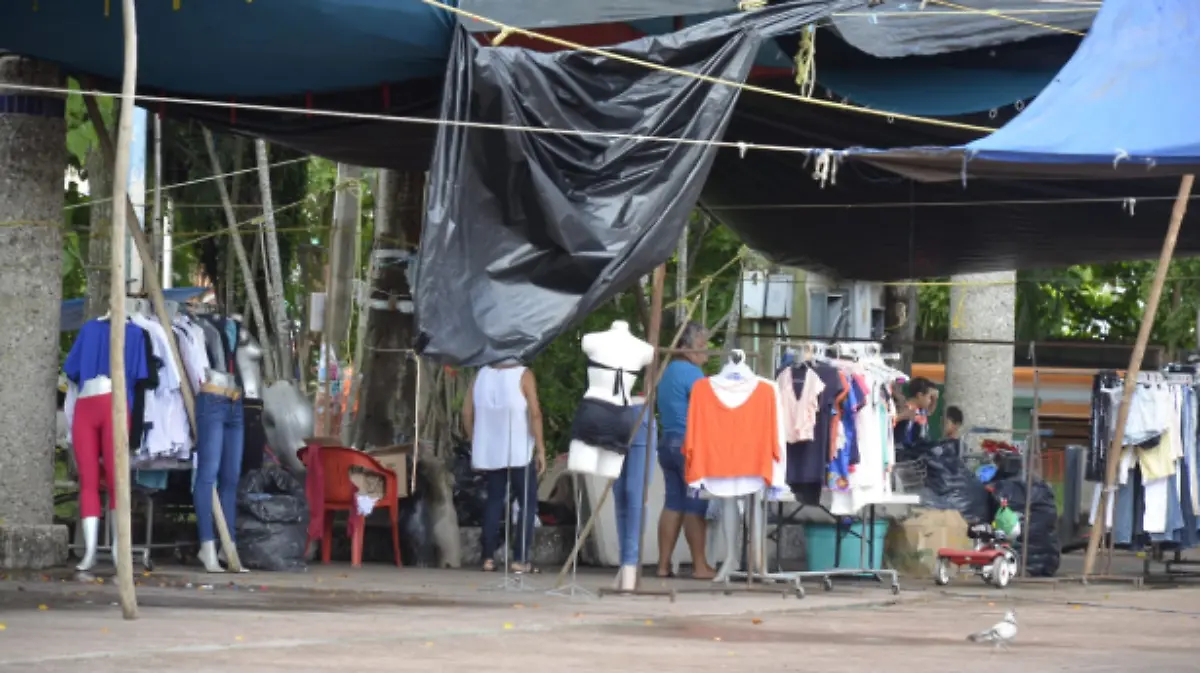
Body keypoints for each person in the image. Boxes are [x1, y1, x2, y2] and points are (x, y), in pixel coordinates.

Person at [462, 359, 548, 574]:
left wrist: (476, 441)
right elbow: (535, 413)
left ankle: (488, 558)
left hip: (491, 450)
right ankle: (520, 559)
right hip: (519, 449)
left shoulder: (480, 375)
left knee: (494, 501)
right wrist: (541, 449)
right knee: (527, 503)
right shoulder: (524, 375)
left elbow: (466, 413)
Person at [654, 321, 715, 579]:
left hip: (667, 442)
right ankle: (700, 566)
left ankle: (663, 565)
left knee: (673, 503)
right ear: (684, 347)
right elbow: (710, 409)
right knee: (694, 505)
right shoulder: (692, 374)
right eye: (701, 345)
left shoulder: (666, 371)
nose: (706, 352)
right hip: (687, 447)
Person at [894, 376, 938, 452]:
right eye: (930, 397)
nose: (931, 401)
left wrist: (934, 398)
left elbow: (930, 411)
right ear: (919, 395)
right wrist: (903, 416)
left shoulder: (922, 410)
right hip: (903, 452)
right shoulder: (904, 407)